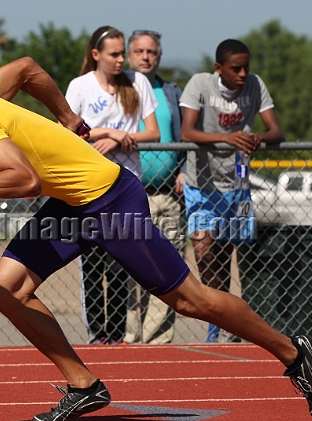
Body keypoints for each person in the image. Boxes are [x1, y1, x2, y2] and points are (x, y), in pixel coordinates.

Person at [0, 56, 312, 421]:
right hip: (73, 204)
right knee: (5, 289)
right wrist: (67, 115)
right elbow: (27, 68)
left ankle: (292, 351)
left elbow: (26, 179)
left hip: (109, 201)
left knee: (191, 301)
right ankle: (84, 385)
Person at [179, 39, 285, 343]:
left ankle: (223, 327)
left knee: (224, 256)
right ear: (218, 68)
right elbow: (187, 132)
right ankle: (217, 316)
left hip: (236, 184)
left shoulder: (254, 85)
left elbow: (277, 131)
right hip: (202, 184)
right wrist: (228, 137)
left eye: (246, 67)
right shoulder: (200, 83)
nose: (242, 74)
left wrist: (256, 138)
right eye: (235, 68)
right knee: (203, 250)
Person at [65, 26, 160, 344]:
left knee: (123, 264)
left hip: (127, 186)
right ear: (96, 55)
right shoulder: (80, 87)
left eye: (123, 53)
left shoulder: (138, 83)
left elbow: (153, 133)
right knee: (92, 264)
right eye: (114, 54)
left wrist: (118, 139)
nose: (121, 60)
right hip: (89, 189)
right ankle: (97, 335)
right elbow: (66, 135)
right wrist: (105, 131)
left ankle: (118, 336)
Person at [124, 29, 185, 344]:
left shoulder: (172, 92)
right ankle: (132, 335)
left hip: (168, 196)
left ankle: (158, 340)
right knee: (136, 270)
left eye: (152, 52)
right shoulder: (119, 89)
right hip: (131, 196)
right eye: (140, 51)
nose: (146, 57)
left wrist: (184, 169)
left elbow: (184, 134)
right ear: (129, 55)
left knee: (169, 268)